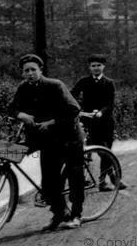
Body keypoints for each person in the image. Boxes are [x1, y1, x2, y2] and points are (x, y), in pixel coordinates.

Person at [10, 54, 84, 231]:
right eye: (26, 70)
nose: (30, 73)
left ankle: (76, 215)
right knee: (49, 181)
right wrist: (22, 115)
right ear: (22, 73)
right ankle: (59, 214)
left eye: (33, 70)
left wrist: (52, 122)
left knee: (75, 176)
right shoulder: (23, 88)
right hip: (47, 140)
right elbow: (12, 107)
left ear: (40, 70)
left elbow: (74, 109)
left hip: (68, 137)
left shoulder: (55, 85)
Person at [71, 55, 127, 190]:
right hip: (89, 122)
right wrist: (78, 110)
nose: (96, 68)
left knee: (107, 151)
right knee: (101, 151)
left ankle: (104, 181)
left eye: (98, 65)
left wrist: (101, 111)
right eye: (93, 66)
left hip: (106, 121)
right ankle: (111, 180)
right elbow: (72, 95)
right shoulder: (84, 81)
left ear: (103, 67)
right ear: (89, 67)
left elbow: (110, 103)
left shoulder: (109, 83)